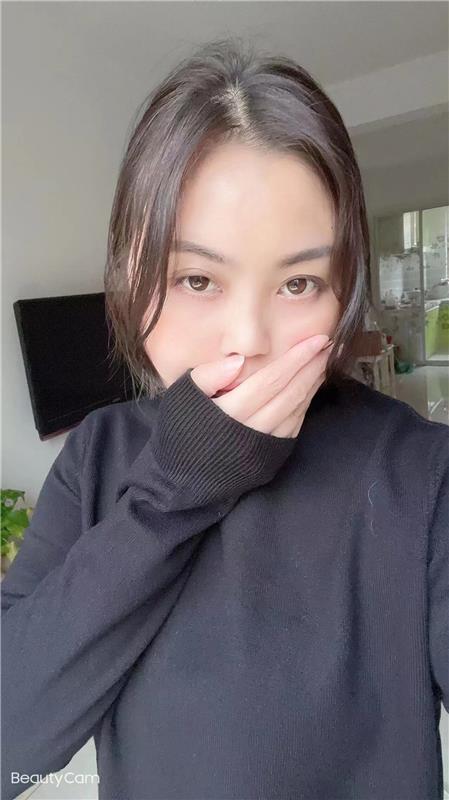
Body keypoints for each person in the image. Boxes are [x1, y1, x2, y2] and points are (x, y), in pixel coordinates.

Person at [2, 36, 448, 800]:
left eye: (299, 283)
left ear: (344, 286)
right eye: (197, 279)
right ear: (130, 273)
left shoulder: (420, 472)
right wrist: (176, 488)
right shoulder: (100, 455)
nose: (247, 338)